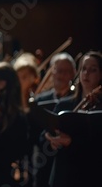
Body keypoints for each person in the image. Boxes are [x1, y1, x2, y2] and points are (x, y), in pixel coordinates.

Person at [44, 51, 102, 187]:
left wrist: (72, 142)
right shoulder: (65, 103)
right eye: (83, 69)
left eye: (93, 70)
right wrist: (49, 137)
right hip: (63, 174)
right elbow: (43, 134)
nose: (86, 73)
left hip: (91, 174)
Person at [30, 52, 76, 187]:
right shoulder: (40, 100)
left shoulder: (76, 99)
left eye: (66, 71)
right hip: (42, 160)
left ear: (73, 73)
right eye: (59, 70)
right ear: (52, 72)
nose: (62, 75)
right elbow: (33, 131)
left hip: (68, 162)